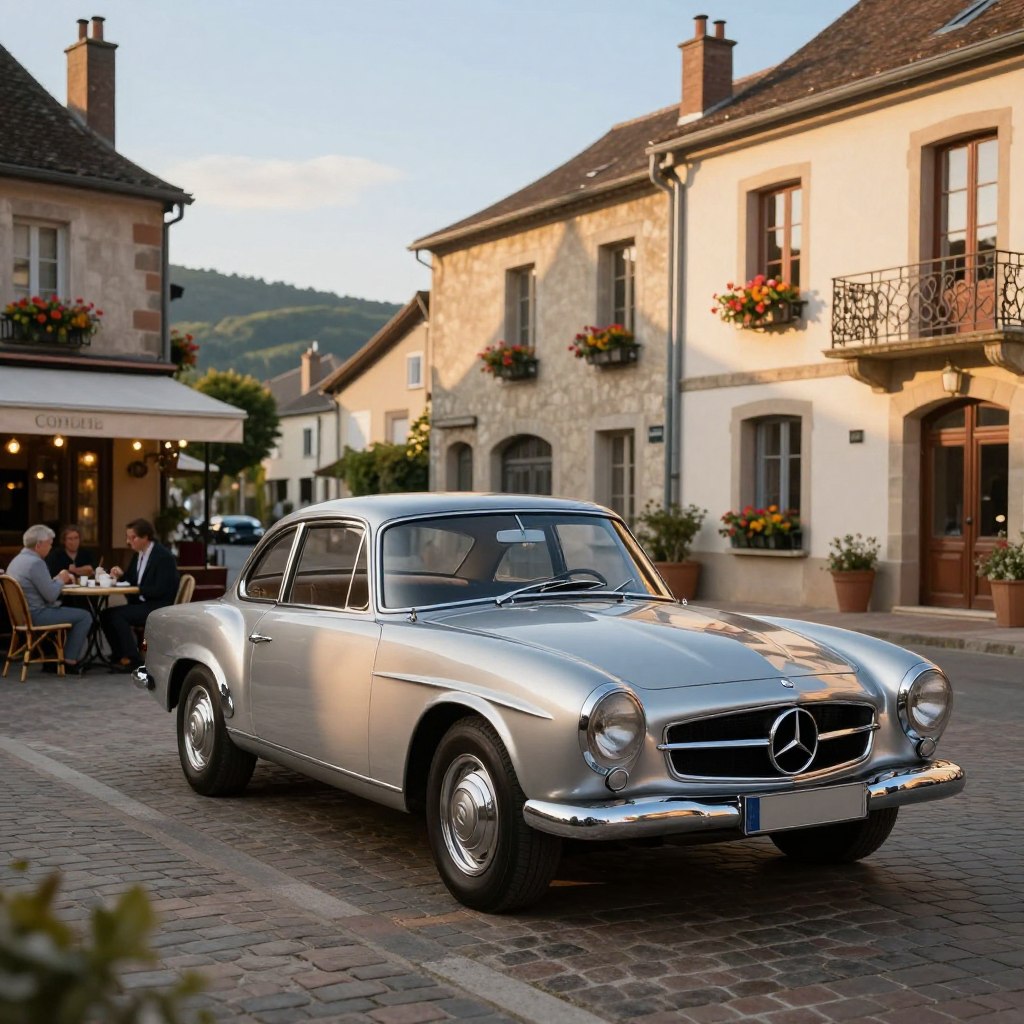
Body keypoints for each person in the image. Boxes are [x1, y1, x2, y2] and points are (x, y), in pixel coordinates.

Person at [5, 524, 92, 675]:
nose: (50, 548)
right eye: (49, 544)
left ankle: (57, 657)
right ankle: (69, 661)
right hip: (37, 615)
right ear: (39, 545)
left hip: (21, 616)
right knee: (84, 616)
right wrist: (62, 579)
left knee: (75, 612)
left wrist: (57, 580)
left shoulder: (17, 560)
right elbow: (51, 595)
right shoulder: (36, 563)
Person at [100, 517, 179, 671]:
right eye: (128, 537)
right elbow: (131, 580)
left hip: (157, 606)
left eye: (133, 537)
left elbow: (161, 589)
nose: (129, 541)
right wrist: (120, 575)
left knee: (117, 615)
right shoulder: (139, 554)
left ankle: (132, 659)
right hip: (142, 602)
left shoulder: (163, 557)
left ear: (146, 537)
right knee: (104, 614)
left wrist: (138, 589)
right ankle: (119, 654)